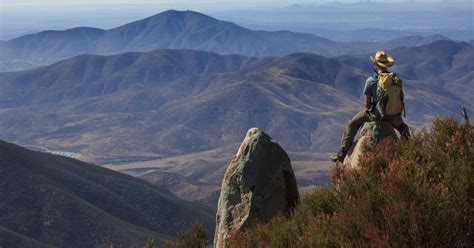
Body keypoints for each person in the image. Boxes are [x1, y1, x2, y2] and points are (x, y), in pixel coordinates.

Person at [330, 50, 410, 162]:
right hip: (393, 117)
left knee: (352, 124)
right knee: (404, 128)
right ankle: (411, 154)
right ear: (387, 65)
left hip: (376, 116)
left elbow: (367, 105)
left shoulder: (371, 81)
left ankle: (341, 153)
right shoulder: (395, 80)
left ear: (375, 64)